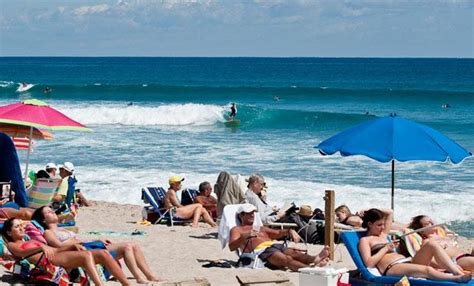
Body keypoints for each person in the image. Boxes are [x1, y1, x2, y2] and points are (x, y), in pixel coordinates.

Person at [30, 206, 162, 283]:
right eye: (49, 212)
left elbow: (77, 241)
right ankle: (139, 278)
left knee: (133, 245)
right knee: (126, 247)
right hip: (79, 252)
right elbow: (58, 247)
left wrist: (96, 241)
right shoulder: (48, 232)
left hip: (88, 246)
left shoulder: (63, 229)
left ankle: (149, 275)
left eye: (52, 210)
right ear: (43, 219)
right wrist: (82, 243)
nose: (53, 211)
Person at [358, 208, 470, 282]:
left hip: (408, 261)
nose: (382, 228)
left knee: (432, 244)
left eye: (383, 224)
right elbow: (369, 263)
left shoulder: (383, 235)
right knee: (428, 270)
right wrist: (386, 248)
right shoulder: (365, 241)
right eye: (379, 225)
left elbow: (390, 212)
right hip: (393, 267)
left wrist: (367, 211)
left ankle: (456, 272)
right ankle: (457, 279)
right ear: (369, 224)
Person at [1, 217, 117, 286]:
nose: (21, 228)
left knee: (96, 254)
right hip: (49, 262)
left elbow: (54, 250)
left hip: (54, 256)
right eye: (17, 227)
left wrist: (72, 246)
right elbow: (21, 253)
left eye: (21, 225)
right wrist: (40, 247)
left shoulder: (29, 239)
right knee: (86, 256)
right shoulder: (12, 244)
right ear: (9, 232)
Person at [229, 204, 330, 271]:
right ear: (241, 215)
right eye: (249, 213)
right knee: (286, 259)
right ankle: (311, 270)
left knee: (295, 253)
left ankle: (315, 259)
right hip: (261, 251)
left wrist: (290, 231)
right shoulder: (237, 229)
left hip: (274, 245)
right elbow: (232, 246)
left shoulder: (260, 227)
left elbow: (277, 233)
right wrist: (245, 236)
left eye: (253, 213)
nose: (252, 215)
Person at [409, 215, 474, 271]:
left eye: (432, 221)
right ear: (421, 231)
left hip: (467, 255)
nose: (432, 223)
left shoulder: (443, 236)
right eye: (428, 223)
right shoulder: (428, 241)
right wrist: (450, 267)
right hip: (458, 260)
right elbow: (430, 260)